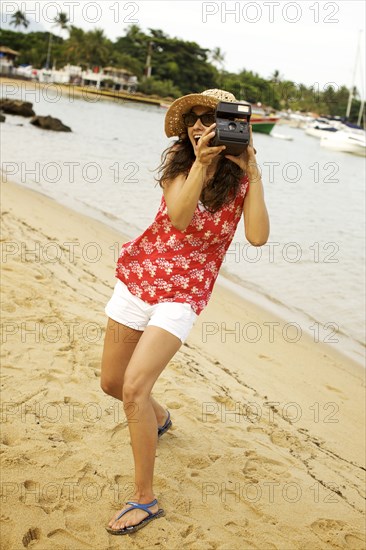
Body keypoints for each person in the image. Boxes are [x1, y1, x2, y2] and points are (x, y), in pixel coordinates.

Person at [101, 89, 270, 535]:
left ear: (231, 124)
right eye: (192, 119)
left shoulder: (243, 176)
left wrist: (252, 172)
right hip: (139, 277)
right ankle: (160, 418)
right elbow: (178, 216)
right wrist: (201, 163)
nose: (199, 125)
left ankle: (144, 498)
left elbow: (256, 236)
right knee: (112, 384)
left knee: (134, 388)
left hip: (184, 294)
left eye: (209, 117)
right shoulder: (180, 163)